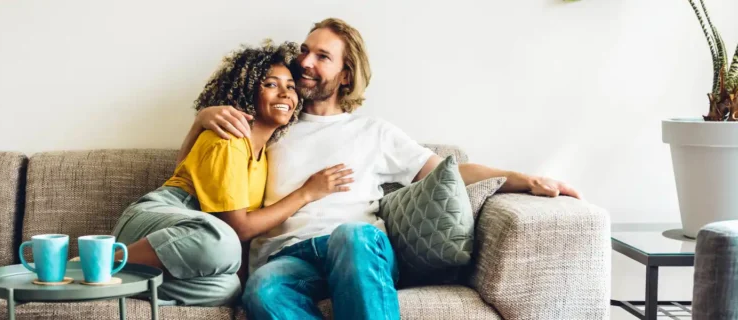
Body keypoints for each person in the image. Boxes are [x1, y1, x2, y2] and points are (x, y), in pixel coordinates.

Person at [177, 18, 582, 319]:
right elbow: (193, 172)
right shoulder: (271, 126)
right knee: (263, 290)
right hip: (288, 255)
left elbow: (448, 172)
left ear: (345, 74)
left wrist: (524, 179)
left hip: (357, 248)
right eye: (304, 50)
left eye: (322, 56)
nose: (304, 62)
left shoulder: (373, 131)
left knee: (352, 236)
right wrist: (200, 120)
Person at [107, 41, 354, 307]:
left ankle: (117, 283)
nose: (285, 93)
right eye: (270, 84)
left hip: (192, 241)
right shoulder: (229, 139)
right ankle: (96, 264)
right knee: (223, 240)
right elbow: (239, 228)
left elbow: (188, 169)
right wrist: (306, 193)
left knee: (228, 288)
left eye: (291, 86)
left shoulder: (263, 155)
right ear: (248, 91)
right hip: (154, 223)